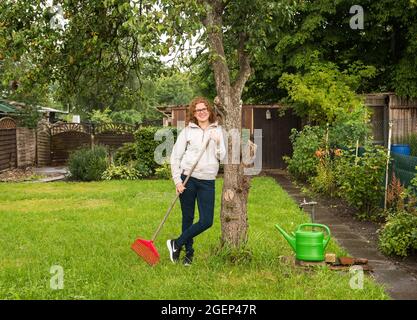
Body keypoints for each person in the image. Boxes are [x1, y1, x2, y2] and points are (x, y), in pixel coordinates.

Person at [168, 97, 226, 266]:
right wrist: (177, 181)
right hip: (188, 179)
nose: (201, 112)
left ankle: (176, 244)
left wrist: (217, 142)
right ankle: (188, 255)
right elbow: (175, 156)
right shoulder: (187, 131)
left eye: (204, 109)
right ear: (193, 113)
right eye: (198, 110)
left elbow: (223, 157)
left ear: (209, 110)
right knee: (187, 217)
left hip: (207, 181)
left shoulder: (218, 131)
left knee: (206, 220)